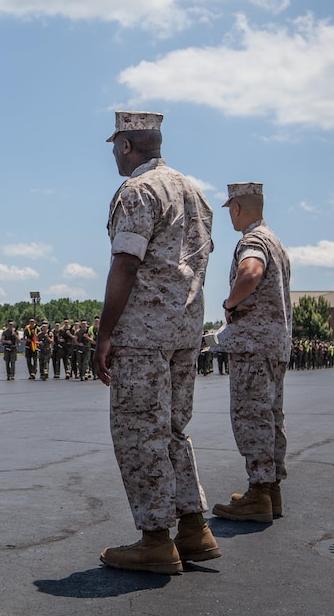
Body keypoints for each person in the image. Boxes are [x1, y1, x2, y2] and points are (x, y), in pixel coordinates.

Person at [92, 110, 219, 575]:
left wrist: (104, 334)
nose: (112, 154)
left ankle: (154, 540)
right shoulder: (195, 192)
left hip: (144, 334)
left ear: (127, 145)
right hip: (185, 332)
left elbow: (125, 264)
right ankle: (192, 528)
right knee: (172, 431)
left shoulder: (137, 190)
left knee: (139, 433)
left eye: (114, 145)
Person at [210, 183, 292, 524]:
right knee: (271, 416)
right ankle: (271, 491)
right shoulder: (276, 241)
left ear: (238, 208)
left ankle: (258, 492)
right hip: (274, 345)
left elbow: (251, 272)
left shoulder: (253, 240)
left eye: (231, 208)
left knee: (251, 415)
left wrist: (230, 303)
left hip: (253, 346)